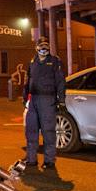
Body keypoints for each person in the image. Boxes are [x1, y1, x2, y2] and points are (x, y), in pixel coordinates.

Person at [22, 36, 66, 169]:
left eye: (46, 45)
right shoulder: (33, 62)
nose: (43, 48)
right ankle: (31, 158)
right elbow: (28, 80)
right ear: (36, 48)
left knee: (48, 131)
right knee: (31, 130)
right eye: (41, 46)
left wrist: (62, 101)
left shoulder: (54, 62)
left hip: (48, 100)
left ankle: (49, 160)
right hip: (34, 99)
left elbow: (60, 82)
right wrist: (25, 98)